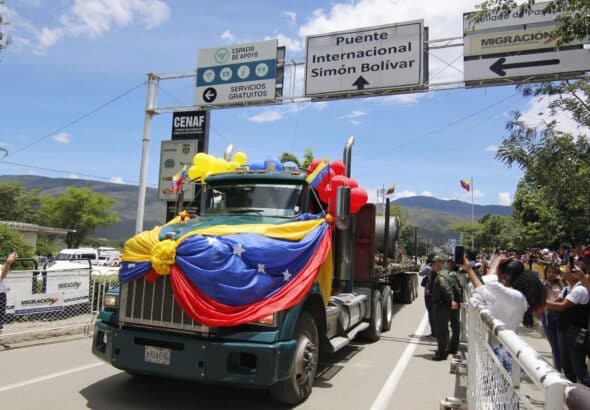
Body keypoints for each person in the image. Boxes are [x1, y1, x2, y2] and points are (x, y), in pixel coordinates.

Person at [462, 254, 546, 373]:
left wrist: (496, 262)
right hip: (499, 341)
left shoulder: (516, 297)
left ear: (506, 277)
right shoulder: (511, 296)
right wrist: (469, 269)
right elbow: (484, 291)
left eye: (500, 275)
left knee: (502, 381)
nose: (499, 278)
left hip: (504, 345)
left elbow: (490, 284)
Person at [546, 266, 589, 385]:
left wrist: (541, 301)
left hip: (577, 332)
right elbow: (555, 302)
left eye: (568, 270)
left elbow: (563, 306)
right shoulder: (566, 289)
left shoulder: (579, 290)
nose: (563, 272)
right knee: (566, 364)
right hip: (566, 330)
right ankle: (571, 391)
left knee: (578, 367)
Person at [431, 256, 456, 361]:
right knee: (444, 329)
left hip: (440, 306)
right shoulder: (445, 273)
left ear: (438, 264)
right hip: (443, 305)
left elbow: (446, 290)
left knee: (440, 330)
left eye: (433, 263)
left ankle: (442, 353)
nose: (432, 266)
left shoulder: (441, 276)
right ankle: (443, 349)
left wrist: (451, 301)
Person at [541, 264, 564, 371]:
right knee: (554, 346)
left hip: (560, 316)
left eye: (553, 272)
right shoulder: (542, 284)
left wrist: (561, 284)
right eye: (549, 272)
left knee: (561, 346)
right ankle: (557, 370)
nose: (551, 274)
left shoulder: (562, 285)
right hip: (547, 315)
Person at [446, 258, 464, 355]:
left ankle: (452, 347)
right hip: (457, 301)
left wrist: (458, 300)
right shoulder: (458, 273)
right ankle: (452, 346)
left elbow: (455, 288)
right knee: (455, 325)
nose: (446, 263)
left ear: (452, 264)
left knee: (454, 325)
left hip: (454, 302)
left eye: (448, 262)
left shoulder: (452, 274)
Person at [0, 251, 18, 337]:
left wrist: (8, 262)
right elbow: (1, 276)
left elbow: (2, 270)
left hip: (2, 295)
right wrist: (8, 262)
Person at [419, 256, 435, 338]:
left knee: (431, 312)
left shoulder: (428, 268)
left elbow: (420, 273)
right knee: (435, 313)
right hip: (436, 293)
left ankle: (433, 332)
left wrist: (423, 264)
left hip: (428, 293)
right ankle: (436, 331)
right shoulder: (438, 269)